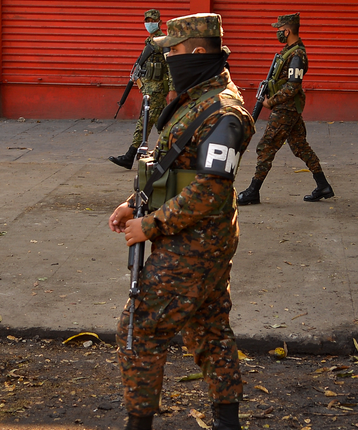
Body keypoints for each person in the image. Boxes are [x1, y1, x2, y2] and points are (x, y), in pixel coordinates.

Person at [108, 13, 254, 430]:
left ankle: (139, 424)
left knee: (139, 327)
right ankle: (228, 422)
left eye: (172, 50)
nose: (168, 57)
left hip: (195, 242)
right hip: (196, 237)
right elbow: (175, 169)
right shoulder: (196, 98)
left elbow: (211, 189)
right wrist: (135, 201)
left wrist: (149, 225)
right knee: (209, 328)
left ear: (197, 52)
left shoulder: (223, 112)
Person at [236, 12, 334, 205]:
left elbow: (293, 86)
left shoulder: (297, 54)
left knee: (266, 146)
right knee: (300, 146)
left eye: (280, 30)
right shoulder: (288, 51)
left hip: (285, 109)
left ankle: (253, 191)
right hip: (288, 108)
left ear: (287, 30)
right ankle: (323, 185)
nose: (278, 33)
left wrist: (270, 102)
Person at [109, 9, 178, 170]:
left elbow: (170, 66)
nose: (149, 23)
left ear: (159, 22)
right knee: (161, 122)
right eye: (146, 20)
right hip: (149, 89)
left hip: (157, 90)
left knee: (145, 122)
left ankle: (131, 155)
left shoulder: (163, 41)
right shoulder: (150, 41)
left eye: (152, 20)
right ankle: (170, 153)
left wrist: (173, 89)